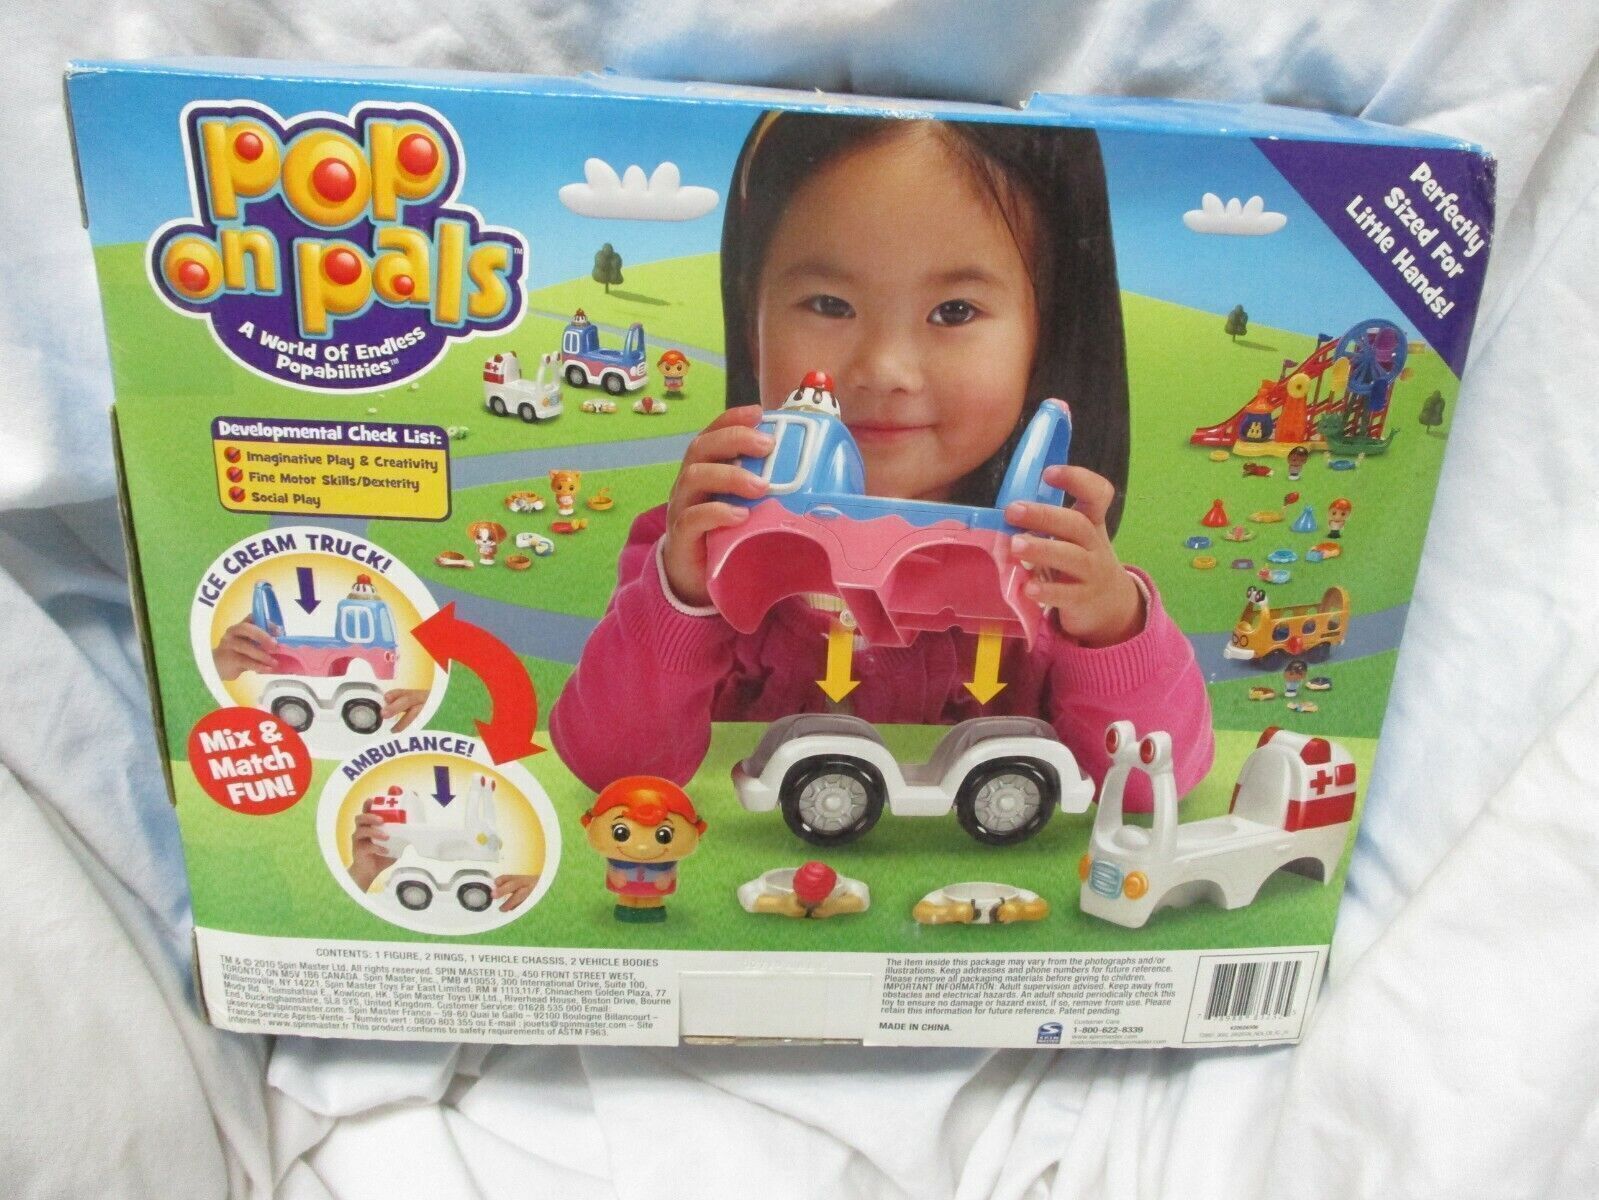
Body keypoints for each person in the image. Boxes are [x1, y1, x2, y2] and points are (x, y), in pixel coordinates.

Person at [550, 112, 1213, 806]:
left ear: (1043, 337)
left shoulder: (1054, 570)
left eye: (954, 312)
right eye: (829, 304)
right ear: (752, 321)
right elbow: (613, 767)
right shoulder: (699, 545)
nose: (884, 370)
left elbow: (1150, 788)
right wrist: (683, 598)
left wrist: (1111, 625)